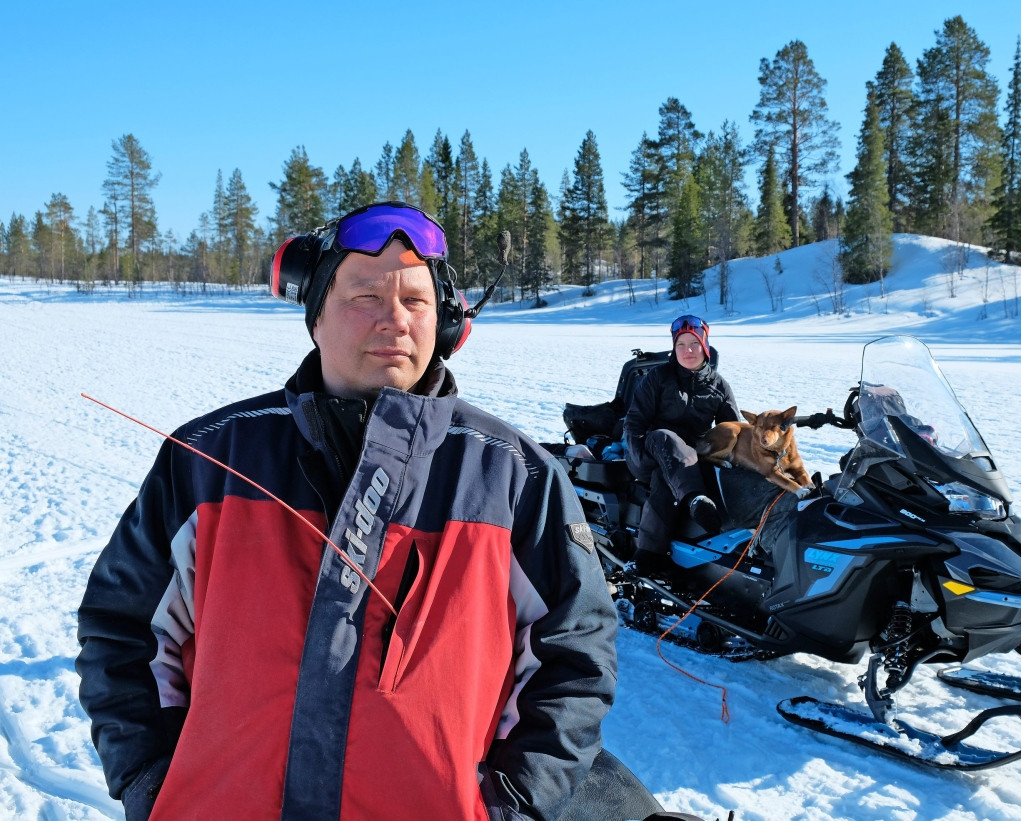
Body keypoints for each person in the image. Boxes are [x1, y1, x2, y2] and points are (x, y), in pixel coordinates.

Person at [75, 202, 631, 821]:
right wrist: (154, 784)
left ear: (446, 323)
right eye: (365, 295)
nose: (394, 320)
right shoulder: (206, 460)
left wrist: (514, 805)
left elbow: (575, 655)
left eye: (416, 301)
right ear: (315, 315)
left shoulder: (513, 478)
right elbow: (122, 632)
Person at [623, 315, 741, 574]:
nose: (688, 351)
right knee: (666, 437)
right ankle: (694, 499)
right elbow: (634, 422)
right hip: (649, 448)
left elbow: (733, 431)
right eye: (681, 345)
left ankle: (650, 555)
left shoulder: (719, 386)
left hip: (686, 458)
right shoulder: (658, 377)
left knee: (666, 476)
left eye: (694, 344)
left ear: (705, 346)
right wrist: (640, 457)